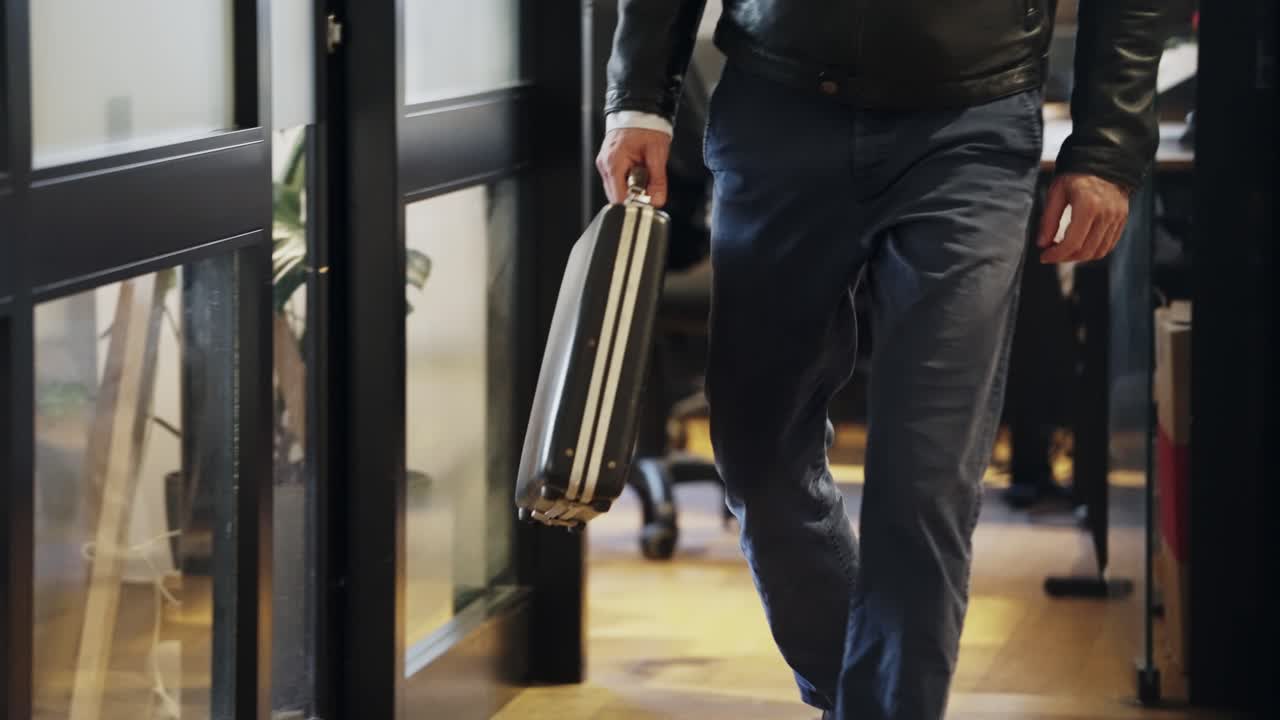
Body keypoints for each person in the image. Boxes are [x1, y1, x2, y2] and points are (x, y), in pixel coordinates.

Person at [596, 2, 1167, 719]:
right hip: (779, 110)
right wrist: (640, 99)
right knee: (758, 454)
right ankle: (865, 698)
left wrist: (1109, 145)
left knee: (926, 473)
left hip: (970, 125)